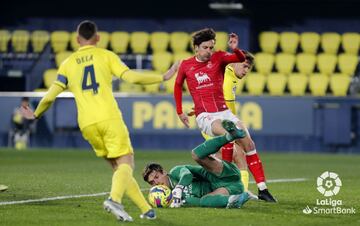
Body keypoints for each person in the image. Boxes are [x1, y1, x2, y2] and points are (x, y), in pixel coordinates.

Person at [20, 20, 179, 222]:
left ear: (77, 39)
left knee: (117, 168)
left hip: (86, 124)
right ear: (98, 38)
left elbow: (51, 96)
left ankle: (146, 209)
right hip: (108, 117)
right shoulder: (105, 56)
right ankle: (114, 199)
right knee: (126, 163)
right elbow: (132, 78)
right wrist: (163, 77)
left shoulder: (68, 63)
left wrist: (34, 115)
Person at [174, 28, 276, 202]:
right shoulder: (186, 65)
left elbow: (238, 59)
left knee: (248, 143)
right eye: (205, 47)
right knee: (224, 131)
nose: (209, 51)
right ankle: (232, 181)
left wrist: (235, 48)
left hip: (224, 111)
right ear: (196, 47)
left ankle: (263, 189)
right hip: (205, 115)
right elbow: (177, 86)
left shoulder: (219, 57)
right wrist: (179, 111)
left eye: (211, 47)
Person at [143, 120, 258, 208]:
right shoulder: (175, 198)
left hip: (223, 175)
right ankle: (238, 198)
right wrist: (181, 201)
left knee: (196, 154)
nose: (157, 183)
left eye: (157, 177)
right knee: (204, 201)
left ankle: (230, 136)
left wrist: (179, 188)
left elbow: (186, 175)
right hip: (229, 189)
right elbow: (197, 202)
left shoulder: (175, 172)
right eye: (152, 183)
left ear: (164, 172)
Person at [196, 53, 255, 192]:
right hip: (216, 124)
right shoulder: (227, 79)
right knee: (225, 158)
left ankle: (242, 191)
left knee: (238, 155)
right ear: (234, 63)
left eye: (248, 68)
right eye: (244, 66)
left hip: (220, 122)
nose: (246, 71)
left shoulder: (230, 77)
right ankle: (209, 187)